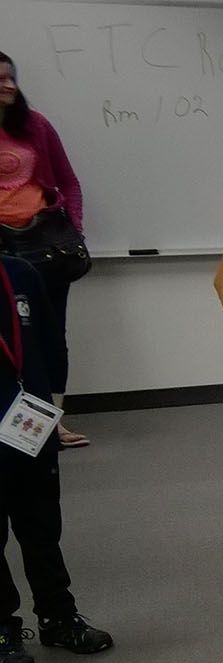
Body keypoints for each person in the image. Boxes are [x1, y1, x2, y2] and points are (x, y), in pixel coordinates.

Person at [0, 255, 112, 663]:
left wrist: (53, 408)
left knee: (42, 527)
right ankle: (3, 629)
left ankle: (58, 617)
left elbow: (50, 344)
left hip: (29, 424)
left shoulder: (20, 274)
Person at [0, 55, 87, 451]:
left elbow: (68, 182)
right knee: (11, 340)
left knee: (51, 336)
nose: (6, 85)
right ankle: (12, 425)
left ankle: (53, 424)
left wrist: (75, 229)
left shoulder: (36, 125)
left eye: (10, 78)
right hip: (3, 252)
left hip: (44, 245)